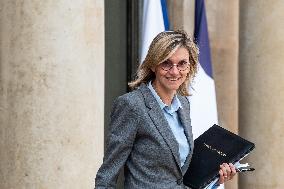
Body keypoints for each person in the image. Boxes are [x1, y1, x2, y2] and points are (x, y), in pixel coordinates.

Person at [95, 30, 236, 189]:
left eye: (182, 63)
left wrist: (215, 179)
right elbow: (107, 175)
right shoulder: (132, 105)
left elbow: (178, 176)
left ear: (190, 66)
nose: (175, 71)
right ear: (154, 65)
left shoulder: (183, 104)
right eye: (166, 63)